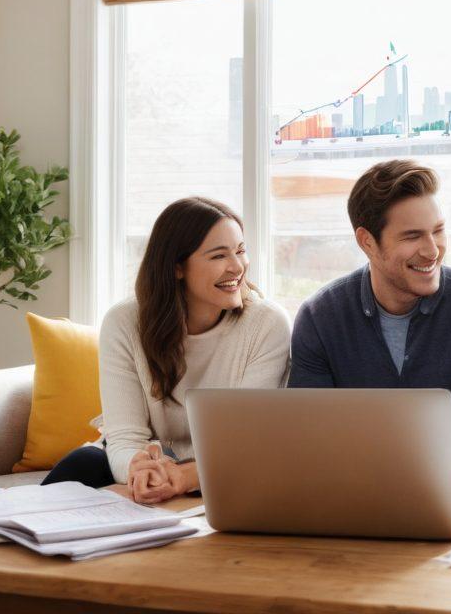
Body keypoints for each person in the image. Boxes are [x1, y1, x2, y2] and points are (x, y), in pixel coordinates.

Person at [288, 159, 451, 514]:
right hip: (354, 504)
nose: (432, 249)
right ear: (367, 242)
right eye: (412, 236)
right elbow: (309, 439)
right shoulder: (319, 317)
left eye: (437, 230)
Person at [43, 197, 291, 503]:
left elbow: (248, 442)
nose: (237, 267)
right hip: (151, 461)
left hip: (226, 468)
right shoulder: (124, 322)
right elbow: (124, 438)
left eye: (240, 251)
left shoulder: (267, 325)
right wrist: (140, 471)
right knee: (80, 466)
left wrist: (183, 477)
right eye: (218, 256)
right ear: (176, 267)